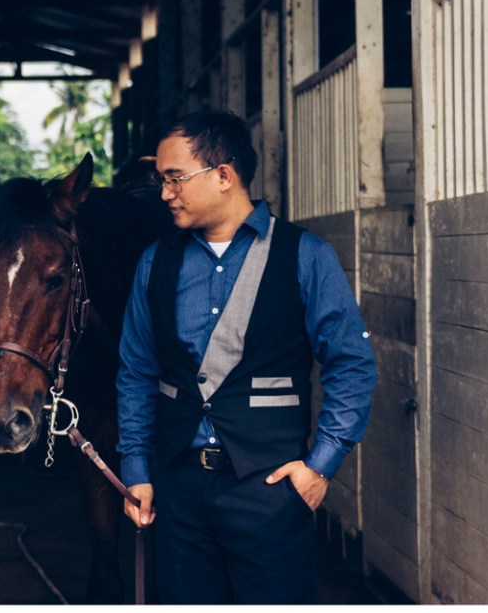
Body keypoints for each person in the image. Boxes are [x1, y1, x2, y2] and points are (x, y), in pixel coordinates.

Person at [116, 109, 376, 604]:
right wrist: (137, 469)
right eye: (161, 181)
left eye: (174, 179)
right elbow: (136, 372)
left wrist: (319, 466)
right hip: (177, 490)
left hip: (271, 490)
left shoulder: (306, 255)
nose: (165, 193)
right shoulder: (155, 261)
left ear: (223, 175)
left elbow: (352, 365)